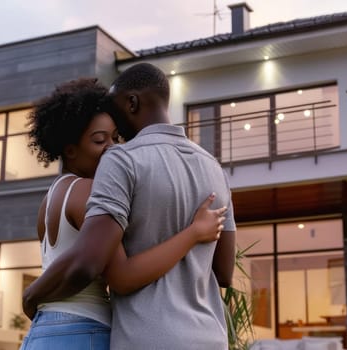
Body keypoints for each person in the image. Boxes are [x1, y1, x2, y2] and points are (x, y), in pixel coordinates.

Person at [20, 78, 227, 349]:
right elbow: (122, 276)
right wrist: (193, 233)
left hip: (43, 330)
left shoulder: (51, 197)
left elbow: (70, 259)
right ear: (69, 150)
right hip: (85, 328)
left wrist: (32, 296)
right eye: (99, 141)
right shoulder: (88, 191)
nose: (112, 148)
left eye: (115, 138)